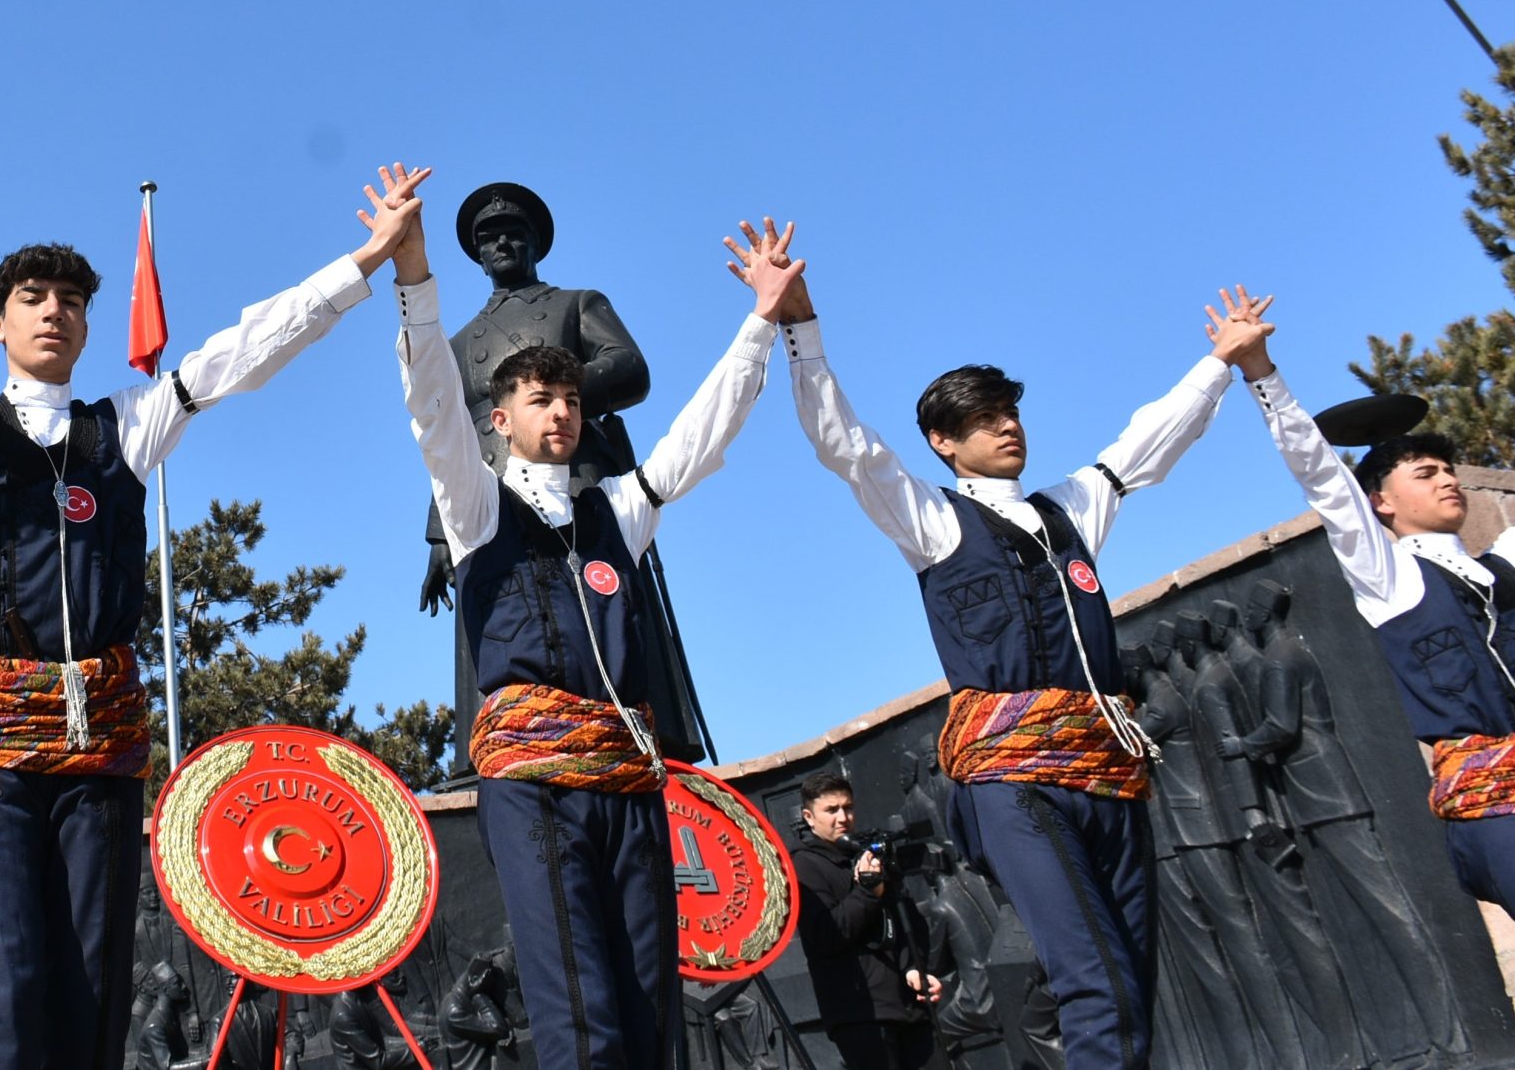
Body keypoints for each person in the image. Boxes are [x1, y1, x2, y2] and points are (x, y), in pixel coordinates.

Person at [0, 40, 425, 1069]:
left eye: (70, 299)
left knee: (91, 976)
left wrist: (364, 263)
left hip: (100, 738)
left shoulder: (122, 425)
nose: (54, 310)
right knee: (0, 978)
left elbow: (246, 348)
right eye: (33, 296)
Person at [781, 232, 1270, 1070]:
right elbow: (847, 448)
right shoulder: (934, 520)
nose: (1006, 425)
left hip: (1106, 771)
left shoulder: (1072, 506)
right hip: (1013, 777)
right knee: (1094, 977)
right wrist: (800, 328)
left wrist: (1221, 362)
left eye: (1009, 411)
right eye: (981, 418)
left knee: (1132, 979)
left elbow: (1147, 440)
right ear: (944, 440)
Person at [391, 198, 798, 1069]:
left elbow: (702, 433)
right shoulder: (476, 506)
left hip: (627, 778)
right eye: (543, 398)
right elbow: (433, 406)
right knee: (578, 1005)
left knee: (651, 996)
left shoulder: (615, 509)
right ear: (501, 420)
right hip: (536, 783)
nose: (564, 413)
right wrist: (414, 278)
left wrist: (763, 321)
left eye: (572, 398)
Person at [1237, 290, 1515, 1060]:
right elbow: (1321, 475)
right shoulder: (1390, 578)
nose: (1447, 481)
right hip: (1503, 816)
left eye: (1449, 469)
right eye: (1425, 473)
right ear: (1382, 504)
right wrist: (1262, 371)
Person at [412, 183, 705, 770]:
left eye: (512, 232)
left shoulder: (577, 303)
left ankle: (639, 734)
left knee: (604, 611)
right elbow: (448, 438)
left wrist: (549, 398)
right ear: (475, 253)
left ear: (533, 242)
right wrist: (441, 533)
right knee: (499, 619)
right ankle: (500, 749)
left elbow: (629, 368)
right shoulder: (460, 340)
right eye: (487, 237)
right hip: (493, 500)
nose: (500, 242)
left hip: (578, 485)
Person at [790, 772, 945, 1070]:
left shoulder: (866, 853)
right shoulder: (803, 865)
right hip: (860, 1015)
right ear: (809, 816)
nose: (843, 817)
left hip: (910, 1007)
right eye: (831, 810)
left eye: (848, 807)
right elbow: (826, 935)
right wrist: (867, 892)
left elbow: (906, 919)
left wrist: (914, 966)